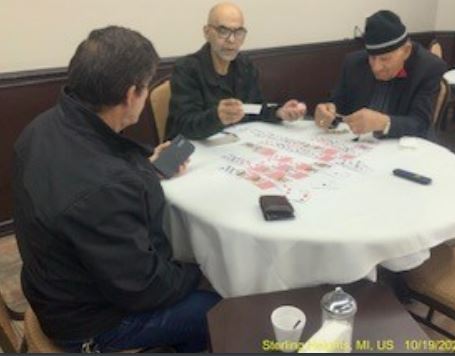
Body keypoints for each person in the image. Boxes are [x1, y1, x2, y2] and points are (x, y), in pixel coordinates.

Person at [12, 26, 220, 353]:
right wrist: (203, 273)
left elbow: (90, 180)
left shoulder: (41, 127)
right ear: (130, 94)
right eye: (146, 87)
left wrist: (144, 168)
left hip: (51, 285)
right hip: (88, 324)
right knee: (218, 305)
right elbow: (145, 287)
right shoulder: (106, 187)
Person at [165, 2, 307, 140]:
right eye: (223, 31)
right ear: (207, 32)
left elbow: (254, 109)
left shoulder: (245, 65)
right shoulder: (186, 68)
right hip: (195, 151)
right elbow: (183, 125)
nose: (232, 40)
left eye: (238, 32)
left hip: (233, 145)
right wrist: (217, 116)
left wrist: (279, 112)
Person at [315, 10, 447, 139]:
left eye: (385, 59)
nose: (376, 68)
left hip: (404, 147)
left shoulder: (428, 68)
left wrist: (384, 123)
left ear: (406, 51)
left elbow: (421, 124)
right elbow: (338, 103)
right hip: (360, 144)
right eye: (372, 58)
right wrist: (328, 111)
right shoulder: (353, 63)